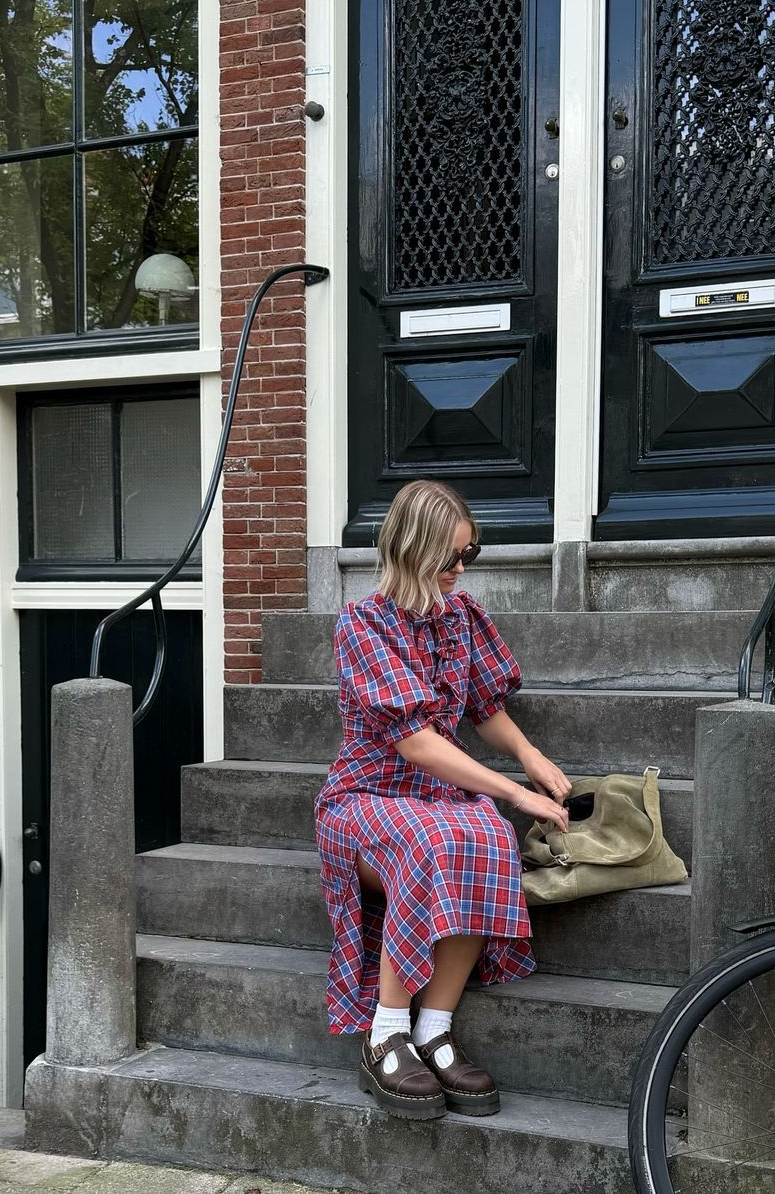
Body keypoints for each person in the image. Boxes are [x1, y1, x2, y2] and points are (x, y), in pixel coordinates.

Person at [314, 480, 570, 1120]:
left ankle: (433, 1029)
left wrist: (533, 760)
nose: (461, 569)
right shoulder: (363, 625)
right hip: (364, 797)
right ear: (410, 550)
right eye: (450, 557)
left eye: (469, 555)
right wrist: (514, 791)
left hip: (437, 796)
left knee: (485, 834)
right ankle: (386, 1034)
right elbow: (417, 744)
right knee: (436, 839)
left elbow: (486, 709)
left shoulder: (463, 618)